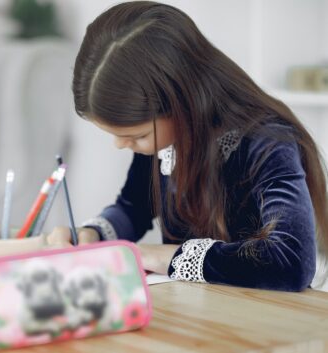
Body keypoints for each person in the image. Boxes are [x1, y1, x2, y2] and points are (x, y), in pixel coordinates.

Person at [47, 1, 328, 292]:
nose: (120, 145)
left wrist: (164, 255)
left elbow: (290, 263)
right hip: (191, 313)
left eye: (138, 135)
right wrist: (92, 234)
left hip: (257, 319)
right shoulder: (166, 140)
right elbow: (133, 207)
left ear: (183, 102)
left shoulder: (267, 142)